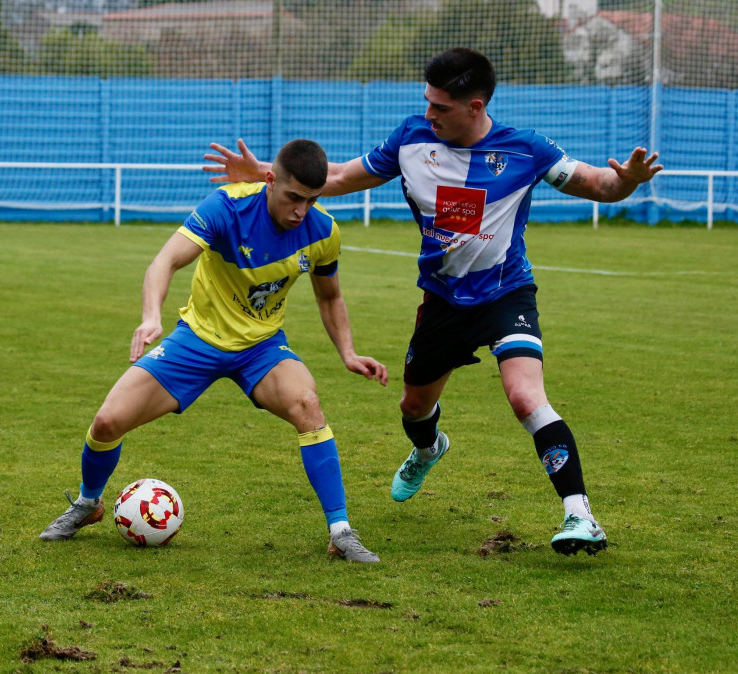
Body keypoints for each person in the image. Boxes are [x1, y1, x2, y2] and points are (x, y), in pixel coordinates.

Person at [203, 47, 663, 557]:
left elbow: (599, 183)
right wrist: (265, 170)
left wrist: (628, 181)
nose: (429, 114)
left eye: (440, 107)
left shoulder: (524, 150)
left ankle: (580, 515)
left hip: (505, 292)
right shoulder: (410, 139)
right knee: (414, 407)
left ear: (475, 105)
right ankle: (429, 448)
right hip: (442, 302)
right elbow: (335, 179)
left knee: (525, 397)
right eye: (427, 102)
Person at [40, 139, 388, 563]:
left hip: (261, 347)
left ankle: (341, 532)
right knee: (108, 420)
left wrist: (348, 353)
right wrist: (151, 317)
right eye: (294, 198)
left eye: (312, 201)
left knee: (308, 405)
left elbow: (330, 297)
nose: (301, 211)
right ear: (269, 179)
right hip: (197, 340)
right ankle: (88, 503)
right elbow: (164, 262)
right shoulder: (227, 206)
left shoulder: (323, 232)